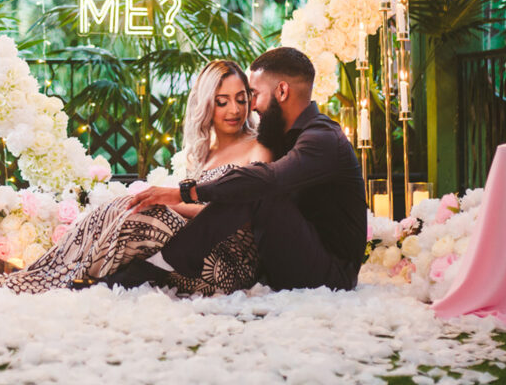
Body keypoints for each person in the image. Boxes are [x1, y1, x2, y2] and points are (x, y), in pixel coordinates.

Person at [0, 59, 273, 294]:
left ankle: (52, 284)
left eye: (241, 99)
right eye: (223, 102)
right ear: (207, 105)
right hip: (187, 252)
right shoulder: (204, 152)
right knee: (119, 206)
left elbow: (242, 212)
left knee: (146, 216)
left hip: (227, 266)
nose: (235, 110)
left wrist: (168, 202)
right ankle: (36, 276)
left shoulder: (258, 147)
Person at [109, 47, 366, 292]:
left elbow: (267, 181)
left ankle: (165, 263)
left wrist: (183, 193)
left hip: (330, 276)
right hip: (286, 259)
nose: (250, 107)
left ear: (282, 91)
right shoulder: (286, 138)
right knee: (251, 184)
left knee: (257, 186)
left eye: (253, 95)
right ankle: (139, 263)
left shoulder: (322, 138)